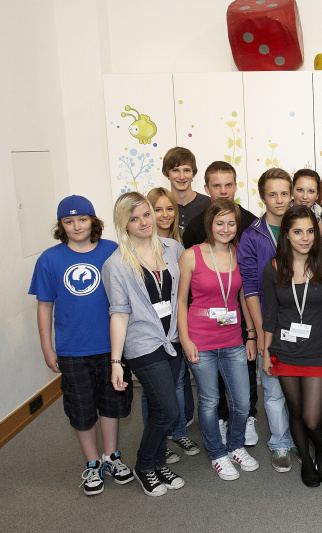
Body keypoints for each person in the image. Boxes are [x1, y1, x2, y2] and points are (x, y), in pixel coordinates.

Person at [29, 195, 133, 496]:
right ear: (61, 225)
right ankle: (91, 462)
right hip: (72, 350)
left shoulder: (112, 251)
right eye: (69, 221)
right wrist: (47, 347)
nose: (76, 226)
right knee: (82, 407)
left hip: (111, 347)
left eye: (82, 219)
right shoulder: (49, 259)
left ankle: (111, 456)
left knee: (111, 404)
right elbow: (44, 306)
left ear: (93, 221)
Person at [103, 192, 186, 497]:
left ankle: (160, 462)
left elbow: (183, 294)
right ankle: (144, 465)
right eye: (133, 218)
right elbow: (119, 313)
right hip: (142, 343)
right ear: (123, 224)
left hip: (172, 338)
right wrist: (115, 362)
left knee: (158, 408)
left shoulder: (173, 248)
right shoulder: (116, 264)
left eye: (146, 215)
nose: (142, 223)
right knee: (168, 408)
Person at [177, 198, 260, 481]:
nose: (225, 229)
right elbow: (181, 301)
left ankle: (235, 445)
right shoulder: (191, 255)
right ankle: (217, 452)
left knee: (242, 401)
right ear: (209, 225)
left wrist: (251, 335)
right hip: (201, 340)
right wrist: (185, 340)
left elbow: (242, 297)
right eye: (219, 223)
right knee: (210, 401)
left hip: (233, 339)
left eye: (231, 223)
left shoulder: (239, 254)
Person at [261, 205, 322, 487]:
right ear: (286, 235)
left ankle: (321, 450)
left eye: (309, 231)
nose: (305, 238)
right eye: (297, 232)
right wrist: (267, 352)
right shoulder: (273, 268)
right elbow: (270, 314)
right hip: (284, 351)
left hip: (318, 351)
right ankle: (307, 460)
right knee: (294, 411)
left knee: (310, 417)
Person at [239, 168, 295, 472]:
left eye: (284, 193)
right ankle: (280, 442)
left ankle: (298, 435)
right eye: (272, 194)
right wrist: (259, 332)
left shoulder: (301, 227)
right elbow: (249, 287)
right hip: (268, 322)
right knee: (272, 388)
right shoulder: (251, 236)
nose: (279, 200)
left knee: (298, 384)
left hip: (301, 322)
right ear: (262, 197)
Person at [144, 188, 198, 459]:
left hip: (176, 326)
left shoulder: (177, 247)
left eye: (169, 209)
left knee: (177, 382)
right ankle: (158, 442)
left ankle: (178, 434)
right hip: (149, 330)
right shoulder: (135, 248)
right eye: (157, 210)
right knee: (153, 389)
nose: (164, 215)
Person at [161, 147, 210, 231]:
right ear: (166, 173)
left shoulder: (208, 204)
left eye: (186, 170)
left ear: (193, 173)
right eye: (175, 170)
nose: (182, 177)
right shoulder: (159, 206)